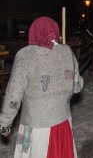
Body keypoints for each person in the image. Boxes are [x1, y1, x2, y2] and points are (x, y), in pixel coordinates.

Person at [0, 17, 83, 157]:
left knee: (30, 153)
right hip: (63, 122)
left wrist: (5, 122)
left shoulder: (25, 55)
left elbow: (14, 92)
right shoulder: (67, 51)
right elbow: (77, 86)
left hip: (34, 126)